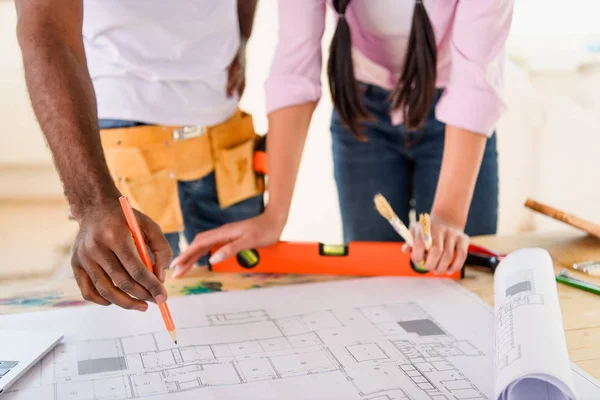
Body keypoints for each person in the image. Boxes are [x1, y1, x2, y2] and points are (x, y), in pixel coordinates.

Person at [169, 0, 515, 278]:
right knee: (373, 282)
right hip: (361, 109)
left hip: (455, 115)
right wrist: (275, 215)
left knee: (461, 271)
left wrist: (449, 217)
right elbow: (295, 69)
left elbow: (474, 82)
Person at [15, 0, 264, 311]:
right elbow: (45, 29)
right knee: (134, 298)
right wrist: (92, 204)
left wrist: (243, 34)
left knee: (245, 304)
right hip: (126, 127)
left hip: (225, 127)